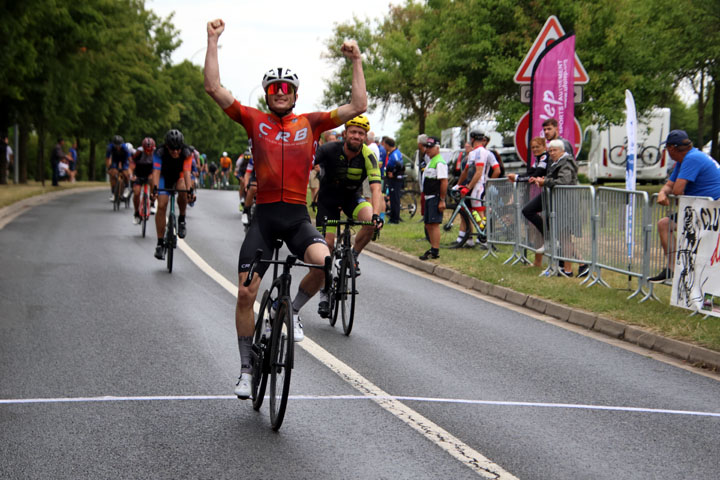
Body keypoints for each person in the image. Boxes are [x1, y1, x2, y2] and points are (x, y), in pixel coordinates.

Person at [203, 18, 367, 398]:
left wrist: (356, 59)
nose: (280, 92)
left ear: (295, 94)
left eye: (286, 88)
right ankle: (246, 369)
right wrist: (212, 40)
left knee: (327, 265)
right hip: (264, 220)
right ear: (266, 93)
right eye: (274, 88)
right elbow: (213, 87)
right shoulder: (253, 120)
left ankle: (292, 309)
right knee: (246, 294)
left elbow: (359, 104)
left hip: (296, 218)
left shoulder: (310, 124)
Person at [313, 114, 383, 287]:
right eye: (353, 132)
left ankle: (354, 256)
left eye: (361, 133)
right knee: (327, 245)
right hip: (327, 201)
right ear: (345, 134)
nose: (357, 136)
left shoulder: (369, 156)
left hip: (351, 198)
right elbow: (305, 164)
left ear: (365, 137)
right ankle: (323, 289)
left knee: (371, 222)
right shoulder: (329, 149)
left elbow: (376, 187)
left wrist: (376, 215)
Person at [649, 129, 720, 283]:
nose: (667, 152)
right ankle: (672, 269)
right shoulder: (684, 160)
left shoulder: (692, 159)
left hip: (713, 208)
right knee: (664, 224)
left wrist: (669, 192)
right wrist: (662, 192)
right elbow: (669, 185)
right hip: (701, 207)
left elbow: (677, 189)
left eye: (667, 148)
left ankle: (702, 279)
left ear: (672, 148)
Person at [524, 139, 581, 277]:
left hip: (565, 202)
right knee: (561, 236)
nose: (552, 153)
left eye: (554, 150)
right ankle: (563, 267)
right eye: (550, 151)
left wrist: (545, 182)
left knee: (564, 236)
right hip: (555, 201)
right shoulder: (554, 161)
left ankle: (568, 270)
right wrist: (542, 180)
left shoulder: (566, 161)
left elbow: (564, 181)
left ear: (562, 151)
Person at [151, 129, 195, 260]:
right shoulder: (159, 152)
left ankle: (181, 219)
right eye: (172, 149)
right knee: (162, 205)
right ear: (166, 146)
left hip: (179, 176)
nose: (175, 152)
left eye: (178, 149)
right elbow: (156, 173)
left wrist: (190, 190)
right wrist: (154, 189)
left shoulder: (186, 153)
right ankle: (159, 244)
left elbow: (187, 173)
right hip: (165, 176)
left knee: (183, 190)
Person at [451, 130, 500, 248]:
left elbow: (478, 173)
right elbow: (466, 171)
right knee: (473, 212)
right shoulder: (475, 153)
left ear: (472, 139)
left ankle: (485, 239)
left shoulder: (481, 152)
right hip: (476, 186)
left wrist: (472, 186)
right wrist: (458, 185)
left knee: (479, 212)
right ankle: (474, 238)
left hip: (479, 186)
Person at [508, 137, 549, 267]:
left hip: (551, 192)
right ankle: (546, 240)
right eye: (533, 147)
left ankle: (549, 237)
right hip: (544, 192)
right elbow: (531, 172)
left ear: (544, 146)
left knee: (528, 211)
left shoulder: (545, 158)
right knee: (528, 211)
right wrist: (518, 176)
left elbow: (536, 174)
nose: (535, 149)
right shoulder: (538, 159)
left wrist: (518, 178)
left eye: (537, 146)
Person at [419, 136, 448, 260]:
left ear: (437, 148)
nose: (427, 150)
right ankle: (432, 247)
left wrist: (441, 199)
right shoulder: (431, 160)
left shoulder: (439, 162)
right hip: (428, 197)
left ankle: (435, 250)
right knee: (428, 223)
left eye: (430, 147)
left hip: (435, 197)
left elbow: (444, 181)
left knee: (434, 223)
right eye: (427, 147)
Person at [130, 137, 156, 224]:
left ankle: (152, 202)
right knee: (136, 193)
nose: (148, 152)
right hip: (139, 173)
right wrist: (132, 175)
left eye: (150, 151)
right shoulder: (139, 152)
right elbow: (132, 163)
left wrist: (153, 174)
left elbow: (158, 167)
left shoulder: (156, 153)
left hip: (150, 172)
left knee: (153, 180)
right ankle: (136, 213)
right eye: (146, 150)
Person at [382, 137, 404, 223]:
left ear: (387, 145)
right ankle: (393, 216)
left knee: (395, 199)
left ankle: (395, 219)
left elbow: (399, 165)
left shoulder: (395, 154)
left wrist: (393, 174)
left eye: (384, 145)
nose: (384, 147)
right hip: (393, 180)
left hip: (395, 180)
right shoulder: (392, 153)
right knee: (393, 198)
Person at [106, 135, 131, 201]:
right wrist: (108, 168)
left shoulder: (125, 148)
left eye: (119, 145)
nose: (118, 147)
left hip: (124, 160)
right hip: (115, 160)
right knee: (113, 174)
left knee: (125, 173)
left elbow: (129, 159)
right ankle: (113, 193)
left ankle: (126, 188)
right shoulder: (110, 147)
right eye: (116, 146)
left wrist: (129, 169)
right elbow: (107, 159)